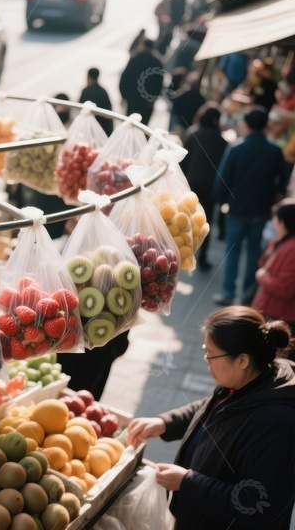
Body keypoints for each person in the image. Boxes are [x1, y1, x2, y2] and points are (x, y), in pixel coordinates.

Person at [126, 307, 295, 530]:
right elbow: (212, 408)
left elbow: (258, 505)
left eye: (211, 354)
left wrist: (188, 482)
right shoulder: (247, 381)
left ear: (242, 360)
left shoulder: (278, 424)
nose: (206, 360)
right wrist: (167, 422)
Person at [213, 107, 290, 305]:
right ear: (265, 126)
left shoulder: (236, 148)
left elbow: (222, 180)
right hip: (261, 209)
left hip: (237, 209)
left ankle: (228, 293)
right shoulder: (274, 150)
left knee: (232, 252)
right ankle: (247, 296)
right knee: (254, 252)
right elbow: (282, 181)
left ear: (246, 124)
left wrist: (221, 202)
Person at [181, 104, 228, 270]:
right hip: (210, 187)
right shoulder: (222, 141)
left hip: (191, 185)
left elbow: (183, 161)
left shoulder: (193, 133)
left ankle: (183, 252)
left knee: (185, 219)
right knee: (205, 222)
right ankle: (202, 256)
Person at [252, 200, 295, 348]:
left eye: (275, 218)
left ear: (282, 222)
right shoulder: (283, 241)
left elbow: (284, 288)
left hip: (279, 317)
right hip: (274, 313)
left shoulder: (291, 248)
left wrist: (262, 275)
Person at [120, 39, 164, 125]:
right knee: (143, 126)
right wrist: (153, 98)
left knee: (131, 124)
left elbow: (125, 78)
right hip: (147, 101)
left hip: (132, 98)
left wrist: (124, 95)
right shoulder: (157, 62)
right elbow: (159, 83)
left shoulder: (134, 59)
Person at [168, 69, 206, 135]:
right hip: (189, 126)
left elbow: (174, 101)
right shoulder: (201, 96)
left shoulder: (186, 90)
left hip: (180, 122)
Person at [79, 68, 113, 136]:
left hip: (89, 129)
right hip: (103, 128)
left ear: (88, 76)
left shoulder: (86, 91)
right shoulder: (103, 92)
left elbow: (80, 110)